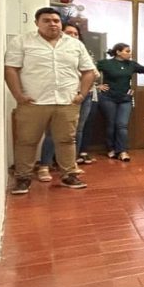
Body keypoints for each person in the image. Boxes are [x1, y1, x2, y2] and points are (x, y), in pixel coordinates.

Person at [4, 7, 96, 194]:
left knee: (67, 140)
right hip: (33, 102)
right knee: (26, 141)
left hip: (67, 102)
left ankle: (69, 175)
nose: (52, 24)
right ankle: (23, 178)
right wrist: (18, 95)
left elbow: (89, 71)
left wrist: (81, 94)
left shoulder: (75, 44)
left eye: (56, 20)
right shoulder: (22, 41)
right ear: (36, 23)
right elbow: (10, 68)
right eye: (46, 20)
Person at [36, 23, 96, 180]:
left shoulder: (82, 51)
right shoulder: (53, 51)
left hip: (84, 95)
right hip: (63, 96)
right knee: (52, 132)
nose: (73, 36)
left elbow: (93, 73)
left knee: (77, 131)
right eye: (69, 33)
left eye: (76, 34)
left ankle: (71, 164)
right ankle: (44, 165)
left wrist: (83, 91)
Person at [96, 43, 144, 162]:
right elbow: (89, 71)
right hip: (108, 98)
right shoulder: (106, 63)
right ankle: (111, 148)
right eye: (127, 51)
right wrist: (96, 85)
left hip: (125, 99)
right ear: (118, 52)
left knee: (122, 125)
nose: (130, 53)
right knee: (111, 124)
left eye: (130, 51)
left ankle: (122, 151)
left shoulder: (131, 64)